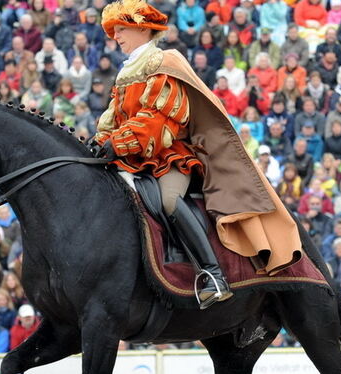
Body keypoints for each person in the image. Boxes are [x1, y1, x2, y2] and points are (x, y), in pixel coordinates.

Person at [95, 0, 307, 308]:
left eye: (122, 29)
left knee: (169, 201)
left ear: (142, 28)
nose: (116, 36)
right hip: (131, 155)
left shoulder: (163, 62)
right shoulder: (126, 73)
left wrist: (120, 142)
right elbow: (112, 118)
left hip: (168, 154)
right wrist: (102, 140)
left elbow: (161, 117)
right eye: (114, 31)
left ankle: (213, 275)